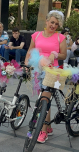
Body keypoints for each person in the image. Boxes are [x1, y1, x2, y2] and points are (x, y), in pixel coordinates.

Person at [24, 10, 67, 143]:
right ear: (47, 21)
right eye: (52, 22)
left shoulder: (60, 38)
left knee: (44, 99)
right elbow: (30, 51)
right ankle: (47, 126)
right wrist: (26, 64)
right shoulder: (36, 35)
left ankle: (42, 131)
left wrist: (55, 54)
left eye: (56, 23)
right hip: (37, 70)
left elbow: (64, 55)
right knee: (42, 99)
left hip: (51, 71)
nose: (53, 25)